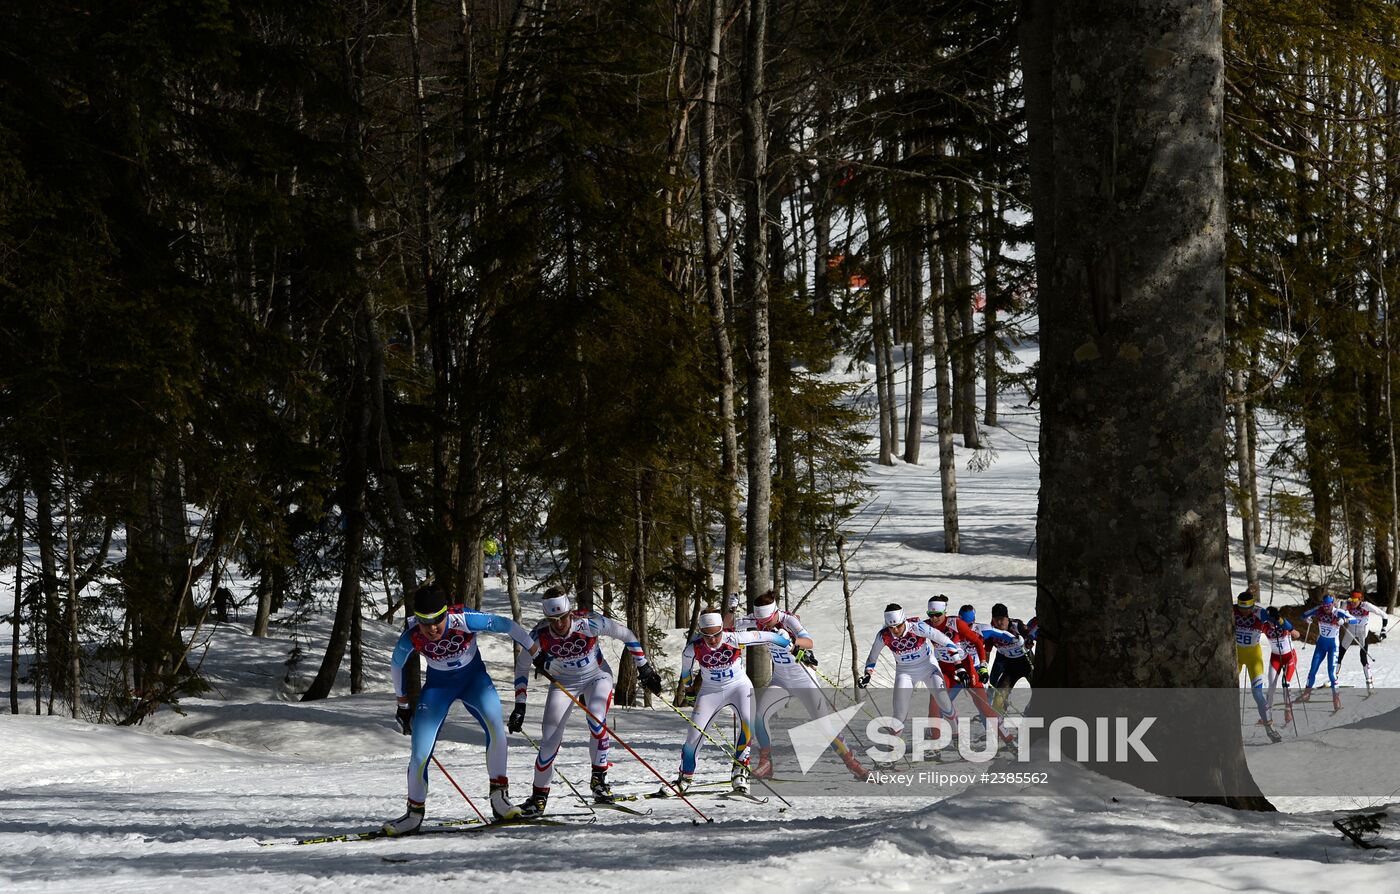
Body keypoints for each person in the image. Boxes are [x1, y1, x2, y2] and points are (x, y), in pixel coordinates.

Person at [383, 583, 538, 836]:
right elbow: (396, 664)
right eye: (425, 622)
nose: (432, 629)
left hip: (474, 681)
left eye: (437, 621)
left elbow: (507, 625)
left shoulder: (464, 619)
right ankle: (414, 813)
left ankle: (500, 798)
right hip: (438, 688)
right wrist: (402, 705)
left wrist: (536, 653)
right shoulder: (413, 635)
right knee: (420, 752)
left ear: (446, 614)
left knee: (496, 728)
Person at [509, 588, 662, 817]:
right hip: (563, 684)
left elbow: (626, 635)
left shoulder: (588, 623)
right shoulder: (539, 634)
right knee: (549, 740)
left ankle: (599, 782)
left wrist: (645, 667)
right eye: (553, 619)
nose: (559, 624)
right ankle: (538, 798)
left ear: (570, 612)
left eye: (563, 617)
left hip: (597, 675)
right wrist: (520, 704)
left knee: (597, 720)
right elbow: (522, 666)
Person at [736, 591, 868, 781]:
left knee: (823, 725)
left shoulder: (788, 620)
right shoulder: (757, 619)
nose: (762, 625)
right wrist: (731, 609)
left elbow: (809, 642)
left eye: (766, 621)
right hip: (781, 681)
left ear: (775, 613)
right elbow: (729, 625)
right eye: (759, 621)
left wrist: (792, 640)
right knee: (759, 715)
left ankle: (853, 764)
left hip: (805, 681)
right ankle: (766, 764)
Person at [670, 608, 792, 794]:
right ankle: (685, 777)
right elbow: (686, 673)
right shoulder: (692, 649)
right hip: (711, 692)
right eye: (707, 635)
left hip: (739, 687)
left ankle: (739, 771)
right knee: (693, 736)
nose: (712, 640)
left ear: (722, 629)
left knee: (747, 724)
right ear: (700, 633)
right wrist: (689, 691)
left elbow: (767, 636)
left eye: (717, 634)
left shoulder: (734, 638)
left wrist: (789, 643)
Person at [860, 603, 957, 754]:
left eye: (898, 626)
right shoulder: (883, 635)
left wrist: (958, 662)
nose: (895, 630)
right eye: (891, 627)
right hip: (905, 672)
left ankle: (957, 739)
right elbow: (872, 657)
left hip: (928, 668)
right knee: (899, 713)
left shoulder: (918, 627)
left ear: (904, 620)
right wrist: (867, 674)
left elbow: (946, 641)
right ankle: (891, 751)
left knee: (943, 701)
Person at [927, 599, 1012, 746]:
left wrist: (1018, 639)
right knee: (941, 704)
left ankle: (995, 737)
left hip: (974, 672)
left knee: (983, 707)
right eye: (964, 624)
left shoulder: (980, 629)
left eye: (970, 625)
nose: (967, 628)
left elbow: (1002, 634)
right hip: (953, 673)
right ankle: (942, 737)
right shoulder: (952, 627)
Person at [1232, 591, 1278, 740]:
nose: (1244, 612)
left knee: (1257, 694)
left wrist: (1275, 617)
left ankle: (1269, 728)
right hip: (1235, 657)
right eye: (1241, 609)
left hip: (1254, 658)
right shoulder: (1232, 610)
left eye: (1247, 609)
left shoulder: (1259, 612)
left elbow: (1276, 619)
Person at [1298, 594, 1356, 710]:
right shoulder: (1319, 610)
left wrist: (1344, 620)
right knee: (1313, 669)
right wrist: (1306, 618)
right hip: (1321, 645)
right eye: (1324, 606)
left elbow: (1355, 620)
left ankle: (1336, 698)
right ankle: (1307, 693)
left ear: (1333, 604)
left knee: (1331, 673)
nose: (1326, 608)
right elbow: (1303, 615)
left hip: (1333, 646)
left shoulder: (1338, 612)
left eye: (1328, 606)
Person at [983, 603, 1035, 713]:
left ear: (1007, 617)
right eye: (996, 619)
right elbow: (986, 651)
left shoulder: (1017, 625)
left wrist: (1029, 641)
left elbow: (1030, 633)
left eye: (1001, 619)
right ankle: (1000, 718)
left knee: (1039, 691)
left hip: (1027, 662)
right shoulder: (992, 631)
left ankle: (1030, 711)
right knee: (999, 697)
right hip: (1011, 667)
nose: (999, 623)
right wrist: (983, 667)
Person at [1338, 590, 1390, 688]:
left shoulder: (1366, 606)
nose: (1352, 602)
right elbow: (1338, 614)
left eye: (1355, 600)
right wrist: (1340, 618)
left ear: (1360, 599)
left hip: (1363, 633)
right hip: (1350, 631)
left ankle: (1369, 683)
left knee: (1363, 658)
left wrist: (1383, 630)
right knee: (1340, 654)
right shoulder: (1346, 604)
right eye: (1351, 599)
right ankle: (1333, 680)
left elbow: (1384, 615)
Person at [1264, 606, 1300, 726]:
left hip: (1289, 656)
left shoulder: (1284, 623)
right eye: (1269, 620)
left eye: (1273, 620)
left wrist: (1290, 629)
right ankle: (1267, 716)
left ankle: (1288, 711)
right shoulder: (1265, 626)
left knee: (1286, 683)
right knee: (1271, 686)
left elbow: (1297, 635)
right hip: (1275, 658)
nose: (1271, 623)